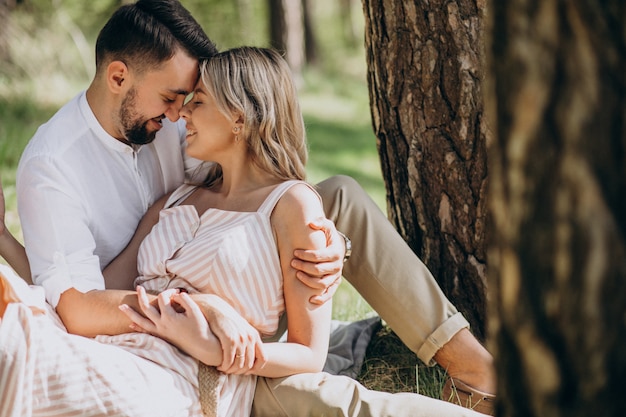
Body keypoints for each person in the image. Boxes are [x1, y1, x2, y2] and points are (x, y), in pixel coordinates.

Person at [3, 0, 495, 414]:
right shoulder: (52, 168)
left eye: (192, 100)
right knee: (312, 397)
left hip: (242, 278)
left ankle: (473, 366)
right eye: (175, 98)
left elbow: (262, 180)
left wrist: (324, 243)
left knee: (339, 193)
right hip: (155, 311)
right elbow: (72, 300)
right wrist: (204, 311)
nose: (179, 115)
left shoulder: (175, 122)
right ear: (117, 77)